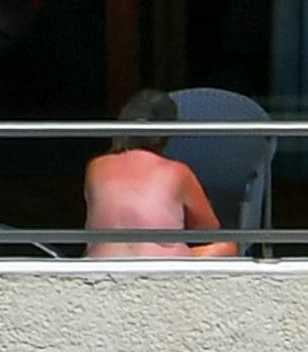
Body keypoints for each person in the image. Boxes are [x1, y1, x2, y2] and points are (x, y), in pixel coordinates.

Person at [83, 89, 239, 260]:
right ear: (167, 133)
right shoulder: (177, 172)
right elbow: (209, 231)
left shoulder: (95, 167)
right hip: (158, 265)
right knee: (227, 246)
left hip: (102, 262)